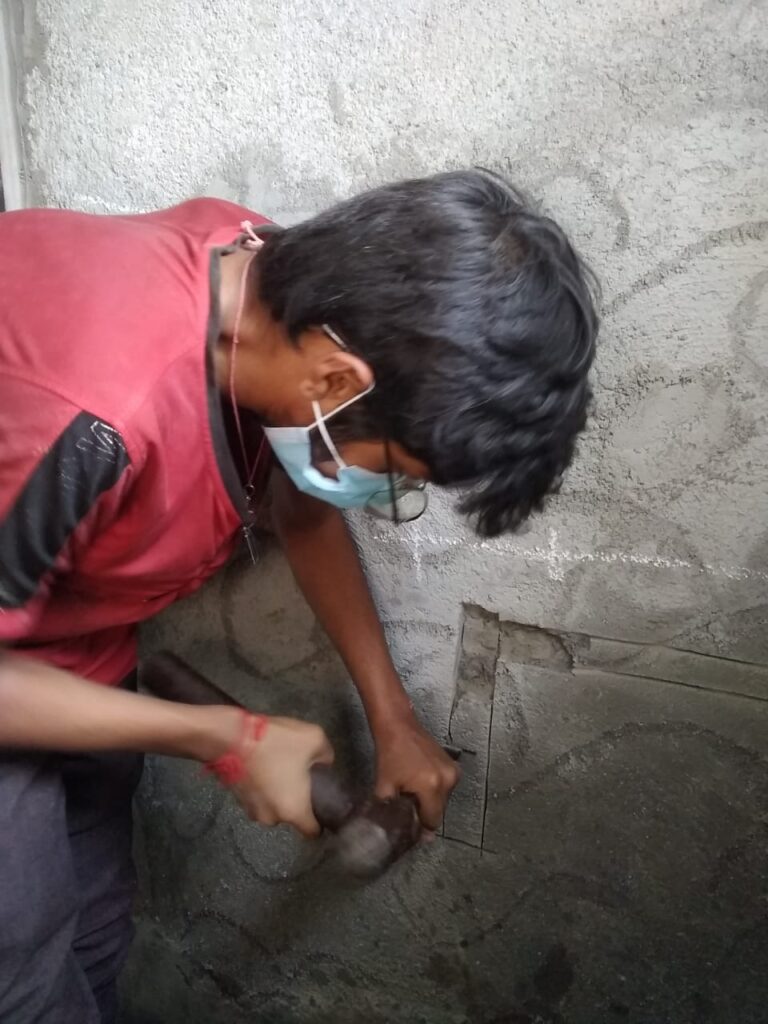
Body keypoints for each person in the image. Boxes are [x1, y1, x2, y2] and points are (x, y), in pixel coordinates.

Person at [0, 168, 598, 1023]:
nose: (382, 490)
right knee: (23, 973)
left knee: (94, 927)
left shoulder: (273, 287)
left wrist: (391, 716)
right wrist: (223, 736)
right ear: (337, 380)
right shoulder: (93, 418)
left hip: (71, 655)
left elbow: (302, 498)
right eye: (394, 473)